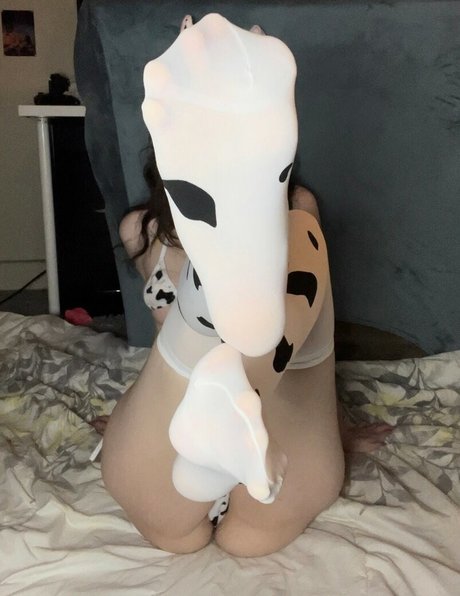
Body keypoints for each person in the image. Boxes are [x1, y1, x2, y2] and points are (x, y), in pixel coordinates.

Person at [98, 14, 393, 556]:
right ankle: (235, 389)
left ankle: (228, 383)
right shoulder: (141, 229)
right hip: (231, 436)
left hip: (185, 442)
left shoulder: (293, 210)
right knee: (247, 543)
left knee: (289, 241)